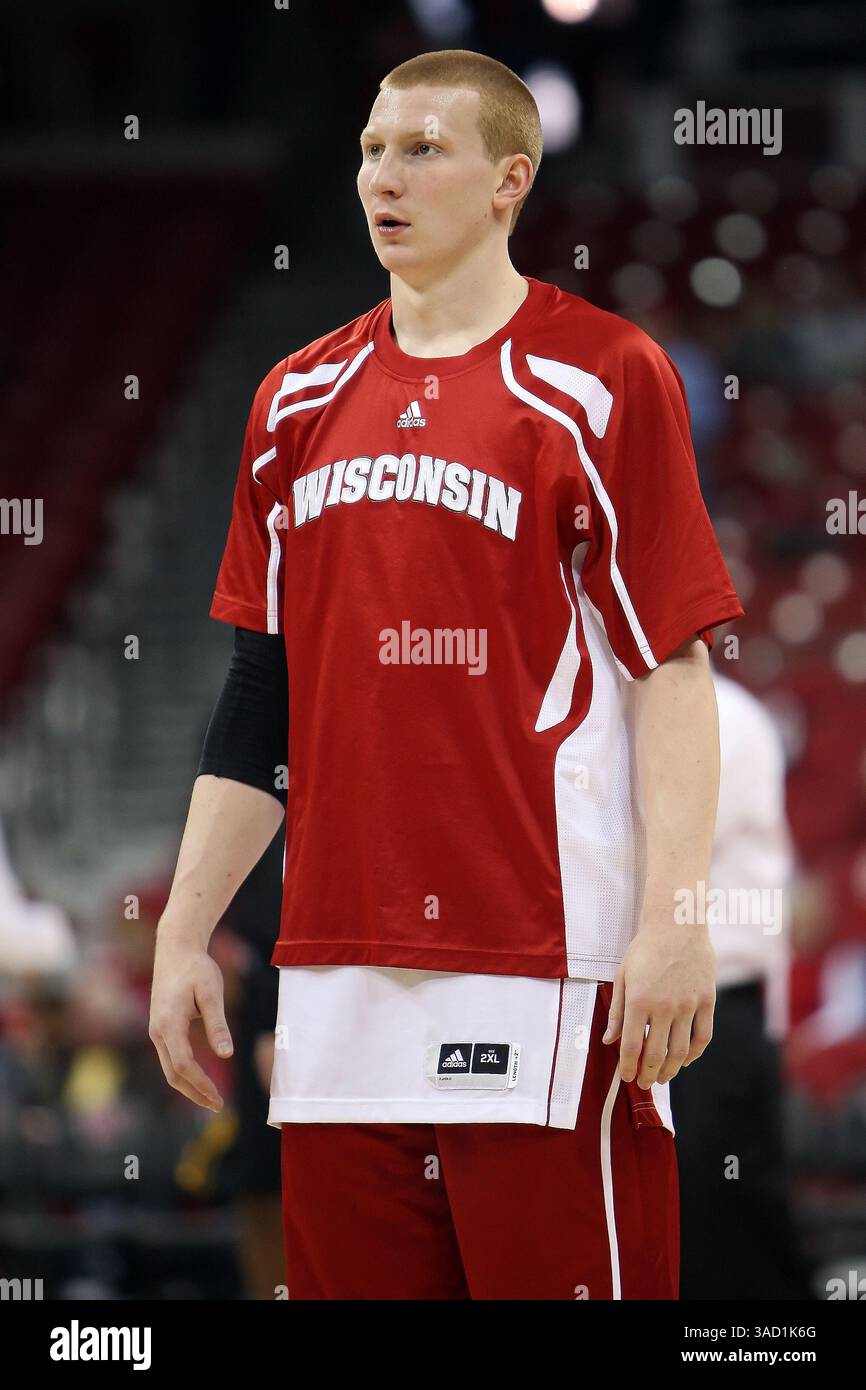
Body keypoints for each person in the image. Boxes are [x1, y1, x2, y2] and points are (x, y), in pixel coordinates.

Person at [149, 48, 743, 1300]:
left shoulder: (599, 379)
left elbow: (670, 667)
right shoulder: (293, 398)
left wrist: (673, 921)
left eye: (422, 149)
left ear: (506, 181)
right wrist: (186, 929)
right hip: (331, 976)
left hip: (545, 963)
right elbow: (263, 695)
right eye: (370, 149)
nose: (383, 176)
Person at [672, 668, 813, 1300]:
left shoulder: (718, 714)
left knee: (727, 1235)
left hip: (716, 1017)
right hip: (667, 1011)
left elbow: (649, 852)